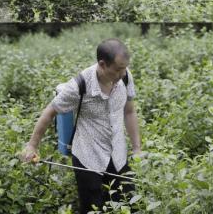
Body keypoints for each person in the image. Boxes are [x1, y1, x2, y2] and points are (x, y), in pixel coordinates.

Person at [20, 39, 142, 214]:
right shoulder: (79, 85)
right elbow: (49, 112)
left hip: (118, 154)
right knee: (93, 208)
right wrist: (32, 146)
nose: (122, 73)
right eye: (117, 69)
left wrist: (137, 148)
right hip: (88, 157)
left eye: (125, 68)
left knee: (127, 204)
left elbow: (129, 112)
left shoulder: (125, 76)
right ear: (102, 64)